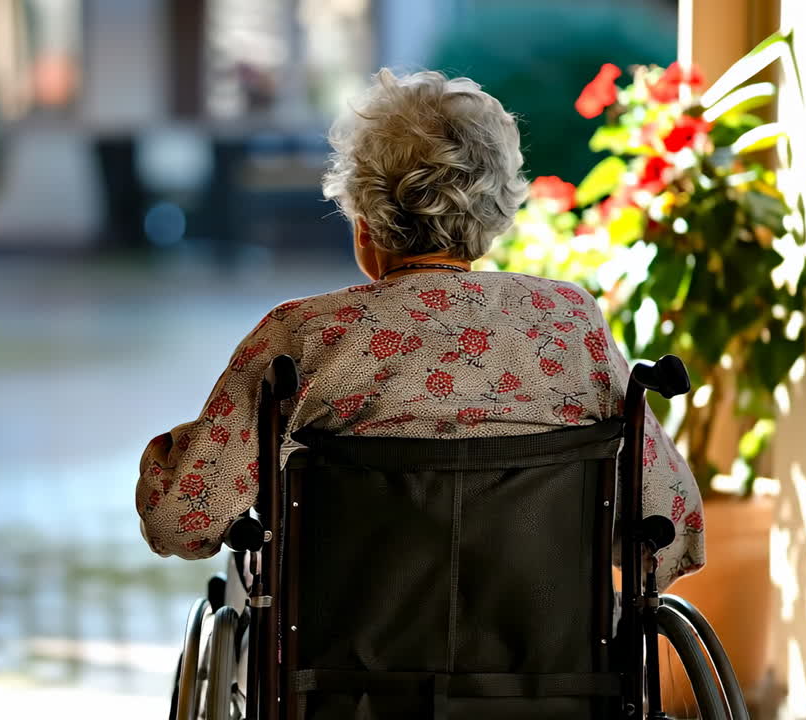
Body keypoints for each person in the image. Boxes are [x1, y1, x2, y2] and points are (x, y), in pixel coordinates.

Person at [134, 69, 703, 591]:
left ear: (364, 223)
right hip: (542, 663)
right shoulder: (568, 323)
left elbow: (181, 520)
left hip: (343, 670)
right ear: (494, 216)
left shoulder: (301, 335)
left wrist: (165, 457)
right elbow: (669, 523)